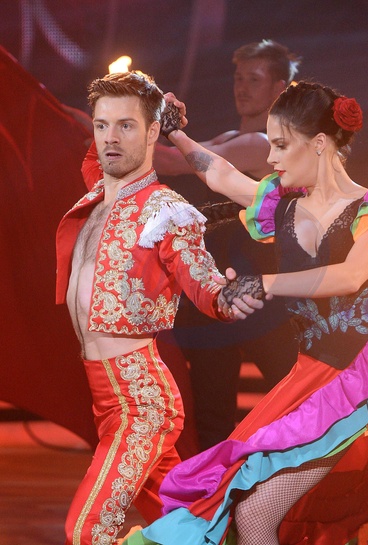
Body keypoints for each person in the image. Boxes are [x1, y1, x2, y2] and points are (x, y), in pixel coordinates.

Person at [122, 81, 368, 545]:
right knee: (254, 512)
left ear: (318, 143)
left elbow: (351, 276)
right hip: (317, 379)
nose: (271, 158)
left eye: (280, 145)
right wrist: (176, 132)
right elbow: (221, 175)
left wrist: (263, 282)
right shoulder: (282, 208)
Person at [55, 70, 262, 545]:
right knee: (188, 527)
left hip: (142, 404)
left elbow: (204, 283)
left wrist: (227, 298)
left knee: (87, 530)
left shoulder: (165, 210)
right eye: (102, 125)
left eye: (126, 125)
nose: (110, 137)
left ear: (152, 133)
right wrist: (141, 95)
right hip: (105, 401)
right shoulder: (99, 191)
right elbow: (97, 154)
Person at [154, 39, 302, 450]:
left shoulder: (262, 145)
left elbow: (171, 161)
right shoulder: (233, 137)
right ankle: (214, 490)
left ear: (278, 89)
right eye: (238, 78)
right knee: (213, 415)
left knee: (294, 395)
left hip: (259, 296)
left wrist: (114, 127)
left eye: (253, 79)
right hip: (216, 294)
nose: (242, 87)